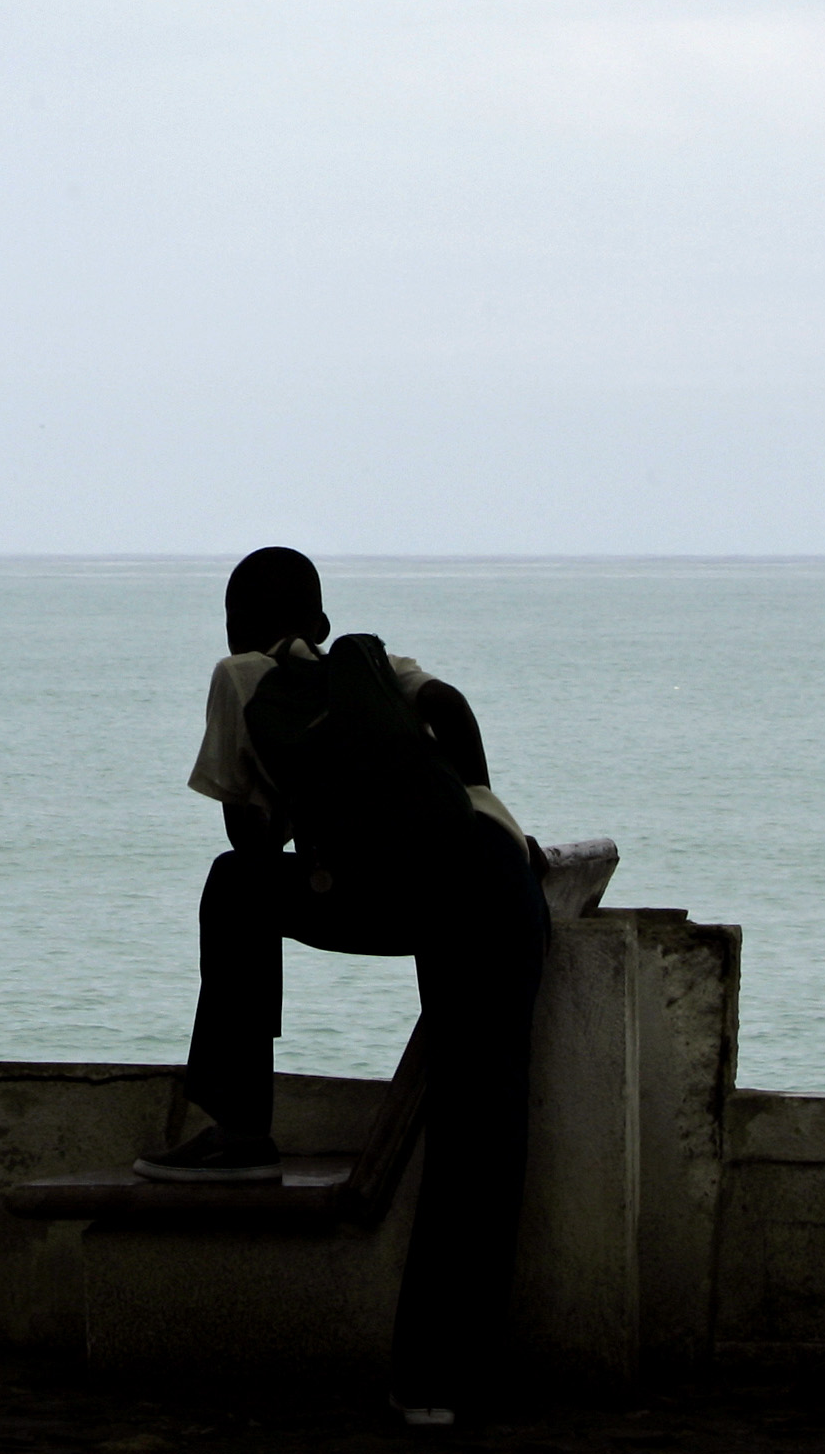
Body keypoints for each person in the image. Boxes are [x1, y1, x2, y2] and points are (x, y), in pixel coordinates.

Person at [135, 546, 551, 1425]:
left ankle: (239, 1125)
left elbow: (249, 841)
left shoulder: (241, 674)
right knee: (485, 1128)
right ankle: (440, 1384)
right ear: (321, 621)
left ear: (235, 619)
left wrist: (306, 811)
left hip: (407, 888)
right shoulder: (376, 670)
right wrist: (462, 793)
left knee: (234, 887)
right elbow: (453, 711)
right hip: (500, 877)